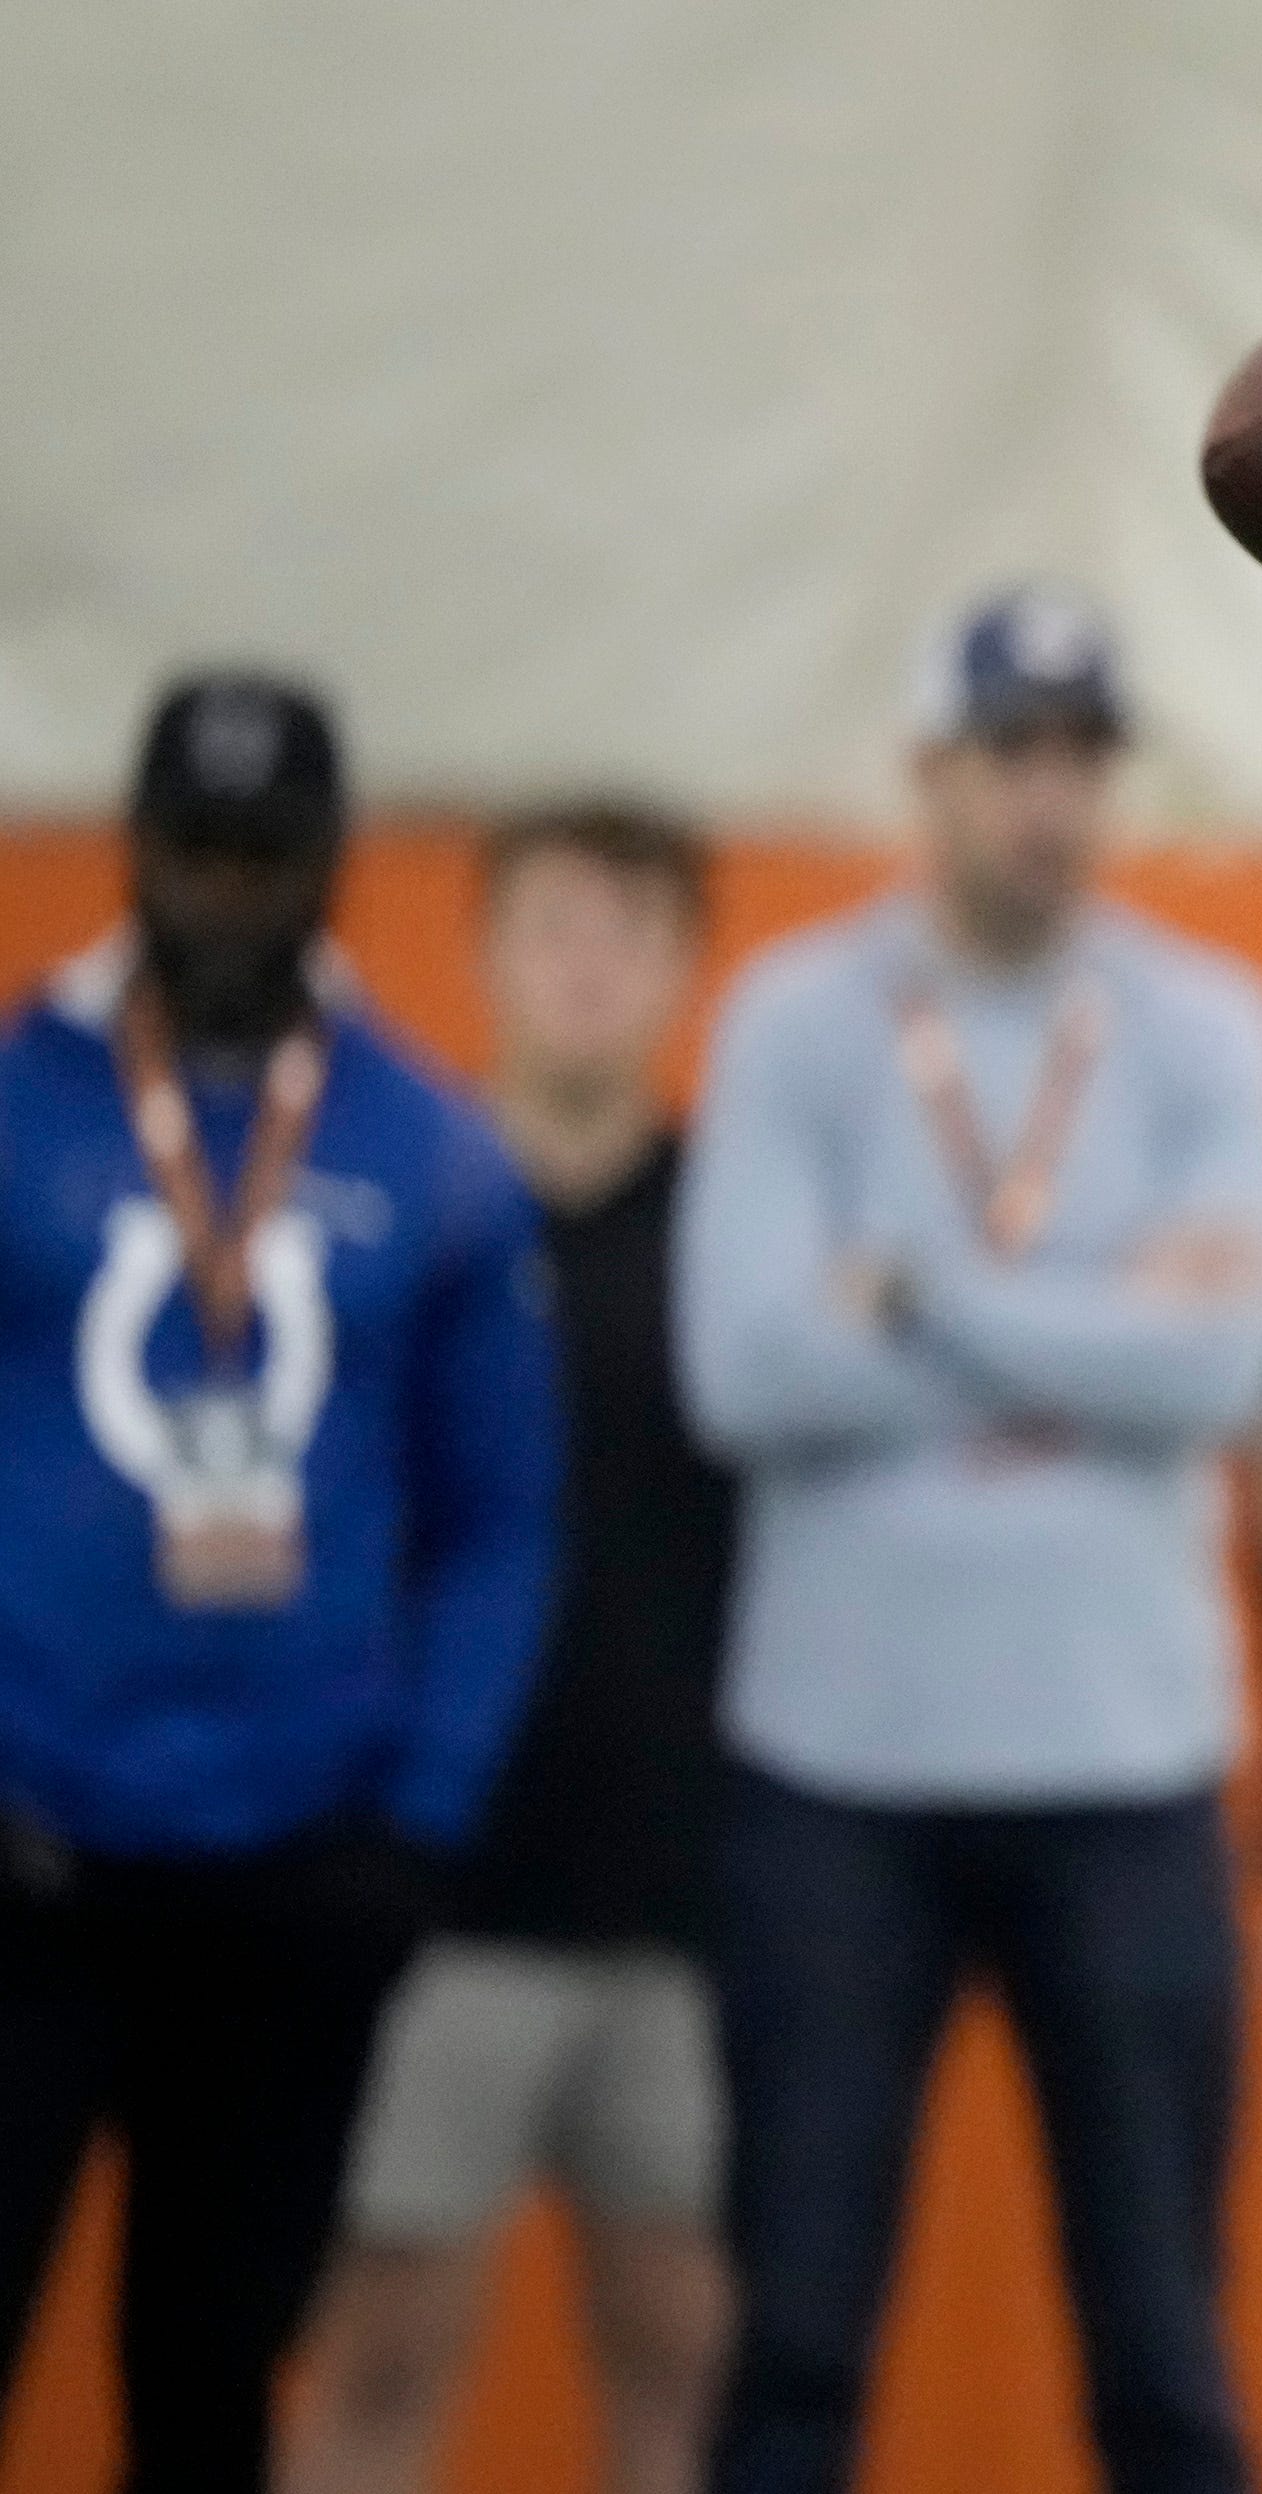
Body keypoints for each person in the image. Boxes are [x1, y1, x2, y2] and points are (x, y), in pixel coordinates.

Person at [675, 588, 1262, 2494]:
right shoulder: (798, 1015)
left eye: (1083, 759)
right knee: (790, 2345)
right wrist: (1092, 1303)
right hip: (834, 1776)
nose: (1055, 798)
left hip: (1123, 1771)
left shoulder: (1207, 1024)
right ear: (929, 773)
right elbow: (743, 1371)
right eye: (1015, 754)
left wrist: (918, 1283)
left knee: (1165, 2357)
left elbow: (1225, 1361)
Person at [0, 673, 561, 2492]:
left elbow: (501, 1516)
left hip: (294, 1875)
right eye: (195, 851)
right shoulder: (18, 1099)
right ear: (135, 852)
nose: (228, 893)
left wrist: (419, 1813)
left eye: (267, 857)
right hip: (32, 1855)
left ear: (330, 864)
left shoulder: (432, 1143)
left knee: (211, 2374)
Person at [288, 802, 738, 2494]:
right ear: (480, 954)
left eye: (631, 928)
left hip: (681, 1893)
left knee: (684, 2351)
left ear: (687, 969)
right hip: (431, 1894)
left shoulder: (739, 1227)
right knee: (380, 2347)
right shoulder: (390, 1215)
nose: (589, 963)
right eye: (554, 922)